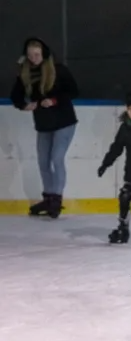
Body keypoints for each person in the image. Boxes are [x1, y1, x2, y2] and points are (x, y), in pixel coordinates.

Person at [10, 37, 79, 219]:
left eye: (37, 54)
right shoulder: (25, 73)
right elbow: (15, 96)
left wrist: (55, 100)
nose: (33, 58)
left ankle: (56, 198)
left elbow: (73, 91)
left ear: (44, 54)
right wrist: (24, 106)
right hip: (43, 123)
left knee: (56, 158)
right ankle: (48, 197)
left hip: (64, 121)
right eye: (30, 55)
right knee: (43, 162)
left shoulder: (58, 70)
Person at [100, 88, 131, 243]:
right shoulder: (125, 128)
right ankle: (123, 227)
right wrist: (106, 163)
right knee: (125, 196)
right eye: (129, 108)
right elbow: (116, 147)